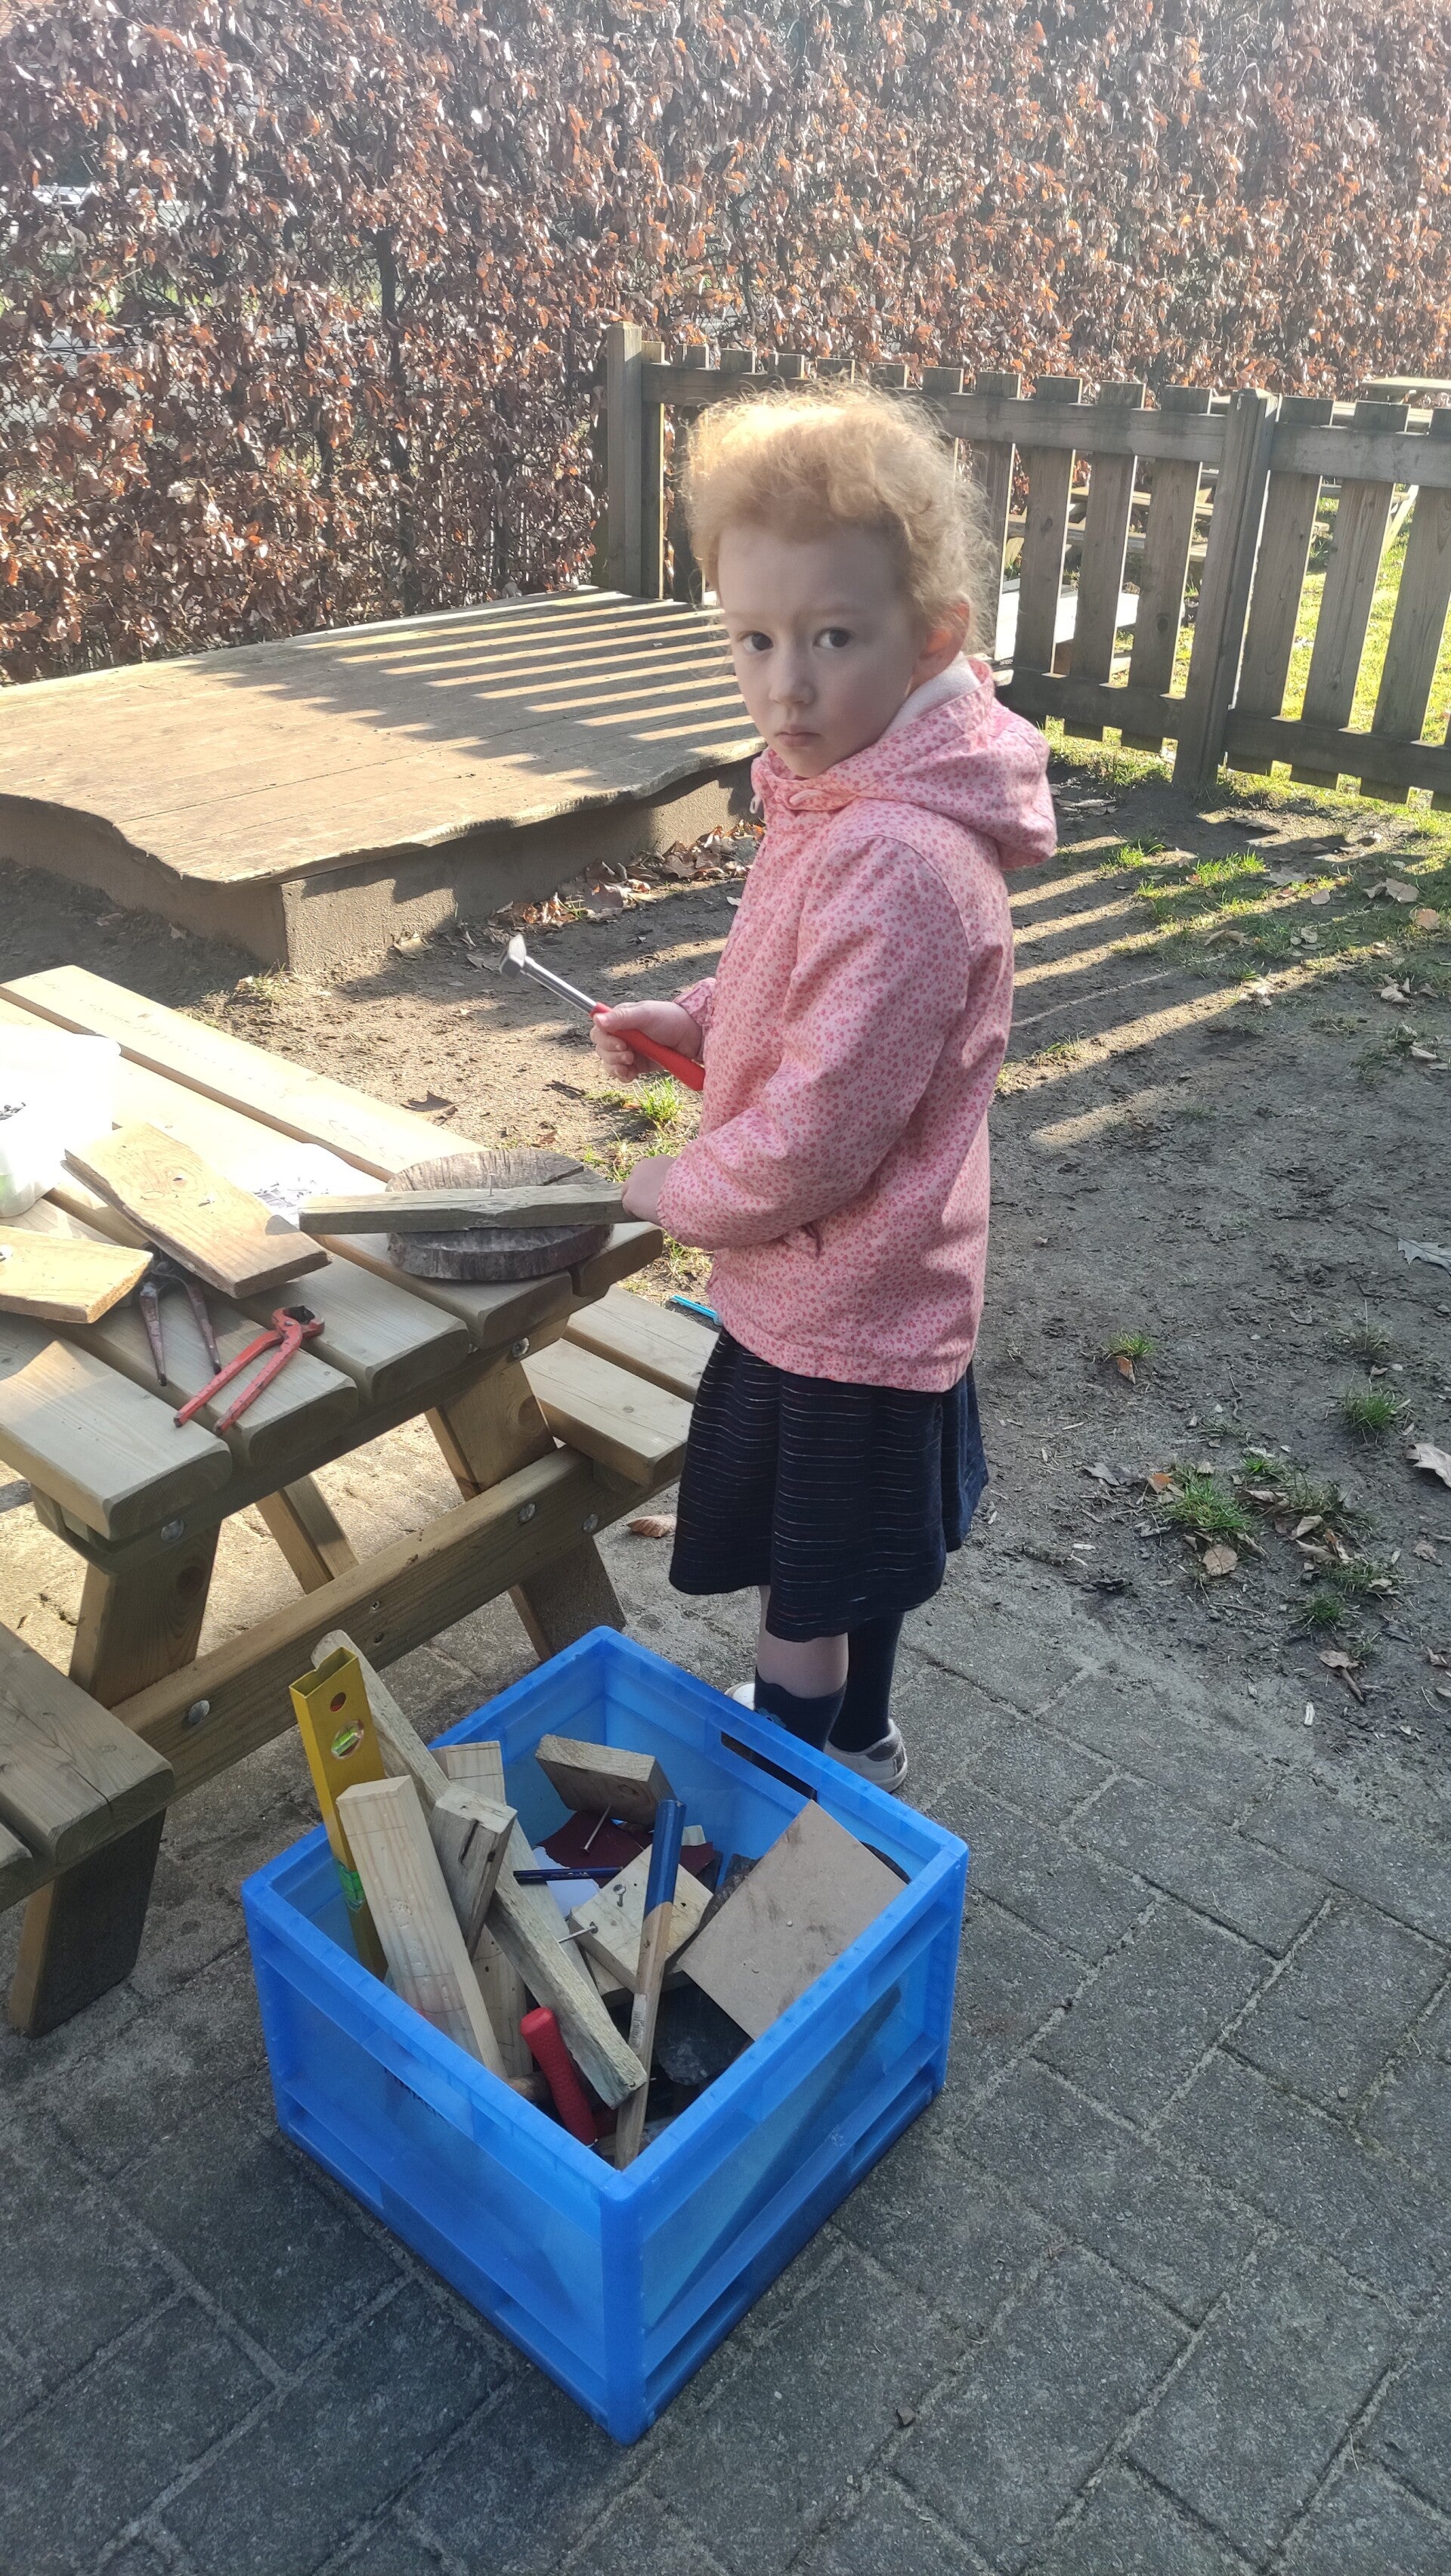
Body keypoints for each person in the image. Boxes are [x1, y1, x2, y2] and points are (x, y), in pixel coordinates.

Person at [592, 384, 1055, 1792]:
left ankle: (790, 1802)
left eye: (833, 638)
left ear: (933, 638)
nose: (785, 685)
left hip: (841, 1301)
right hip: (859, 1288)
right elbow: (796, 975)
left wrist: (674, 1190)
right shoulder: (840, 789)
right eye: (756, 638)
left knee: (806, 1598)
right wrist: (697, 1015)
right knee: (851, 1562)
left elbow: (816, 1137)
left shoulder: (899, 855)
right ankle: (861, 1737)